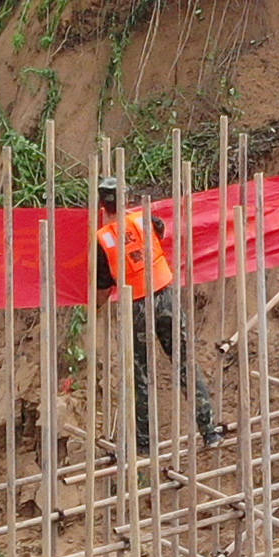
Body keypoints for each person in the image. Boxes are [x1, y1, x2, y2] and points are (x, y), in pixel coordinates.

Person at [90, 180, 220, 449]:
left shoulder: (103, 239)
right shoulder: (146, 219)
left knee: (141, 373)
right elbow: (158, 235)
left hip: (136, 305)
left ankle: (145, 442)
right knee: (184, 363)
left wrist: (93, 309)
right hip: (166, 295)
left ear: (102, 205)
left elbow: (103, 288)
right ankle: (209, 431)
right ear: (125, 200)